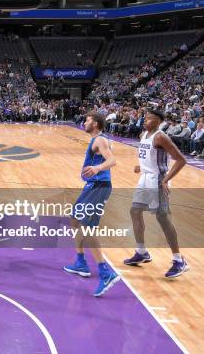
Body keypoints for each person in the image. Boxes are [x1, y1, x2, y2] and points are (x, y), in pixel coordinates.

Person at [124, 109, 189, 278]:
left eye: (150, 118)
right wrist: (142, 167)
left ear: (158, 121)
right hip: (146, 178)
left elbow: (181, 160)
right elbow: (150, 158)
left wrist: (166, 179)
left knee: (162, 218)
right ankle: (141, 252)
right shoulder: (144, 134)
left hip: (158, 181)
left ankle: (178, 260)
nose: (146, 120)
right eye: (145, 117)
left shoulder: (161, 136)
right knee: (134, 211)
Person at [64, 112, 119, 297]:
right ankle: (81, 262)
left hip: (99, 187)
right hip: (92, 186)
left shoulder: (100, 141)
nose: (84, 122)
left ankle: (106, 272)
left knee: (87, 227)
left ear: (95, 124)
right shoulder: (96, 139)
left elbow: (112, 160)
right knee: (74, 219)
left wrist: (97, 168)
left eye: (87, 120)